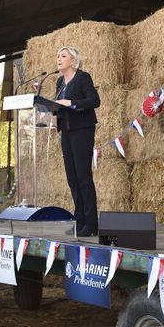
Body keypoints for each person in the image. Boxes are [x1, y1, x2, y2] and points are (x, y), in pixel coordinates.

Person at [52, 46, 100, 237]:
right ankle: (78, 219)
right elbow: (58, 106)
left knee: (83, 177)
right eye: (58, 56)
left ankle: (91, 223)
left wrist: (72, 103)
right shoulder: (59, 82)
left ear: (73, 60)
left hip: (82, 130)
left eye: (63, 56)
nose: (59, 59)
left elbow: (94, 101)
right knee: (72, 178)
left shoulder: (82, 77)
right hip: (67, 131)